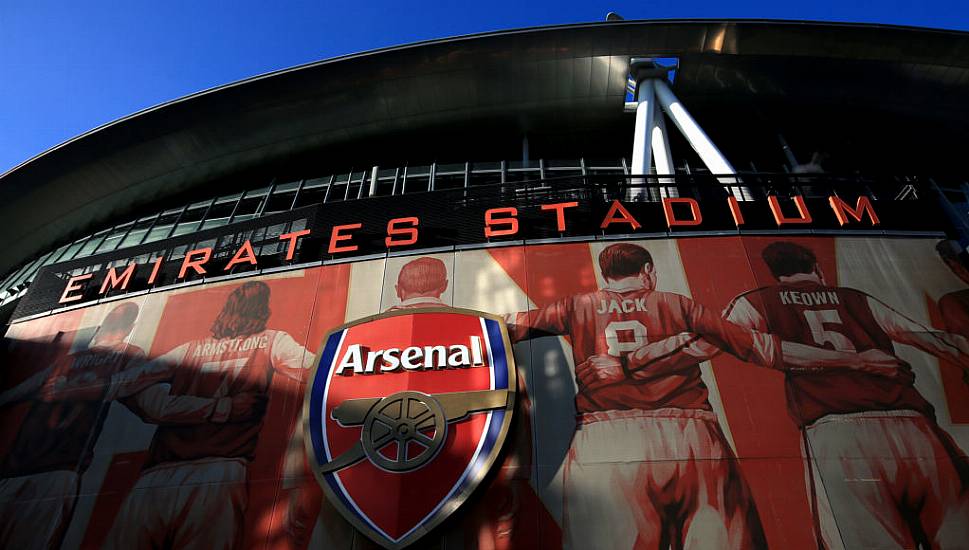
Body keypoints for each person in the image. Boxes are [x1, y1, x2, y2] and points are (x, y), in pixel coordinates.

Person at [503, 242, 902, 550]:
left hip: (605, 438)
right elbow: (764, 348)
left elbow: (508, 326)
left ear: (605, 274)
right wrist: (858, 360)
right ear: (648, 271)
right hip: (689, 434)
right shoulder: (678, 304)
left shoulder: (576, 305)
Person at [626, 241, 969, 548]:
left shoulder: (759, 301)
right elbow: (929, 338)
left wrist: (636, 362)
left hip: (837, 434)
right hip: (915, 427)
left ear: (775, 273)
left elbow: (707, 343)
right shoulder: (855, 298)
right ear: (817, 269)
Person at [101, 281, 314, 549]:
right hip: (220, 470)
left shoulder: (187, 350)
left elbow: (125, 387)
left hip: (160, 472)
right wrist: (222, 408)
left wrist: (172, 408)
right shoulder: (273, 341)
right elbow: (319, 369)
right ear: (263, 310)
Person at [0, 303, 144, 550]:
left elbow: (128, 386)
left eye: (119, 315)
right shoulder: (70, 359)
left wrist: (73, 390)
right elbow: (18, 392)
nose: (114, 316)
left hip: (59, 466)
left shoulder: (129, 354)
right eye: (114, 312)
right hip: (18, 466)